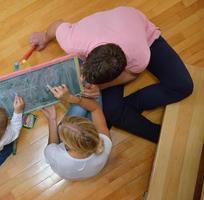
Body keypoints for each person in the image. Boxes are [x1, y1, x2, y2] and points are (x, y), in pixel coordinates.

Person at [29, 6, 193, 143]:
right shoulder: (73, 41)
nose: (84, 80)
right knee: (112, 111)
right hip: (116, 23)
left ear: (119, 71)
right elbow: (58, 24)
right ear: (88, 55)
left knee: (184, 86)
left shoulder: (140, 55)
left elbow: (132, 75)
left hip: (141, 34)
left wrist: (100, 87)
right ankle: (154, 132)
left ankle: (127, 109)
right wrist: (44, 36)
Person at [41, 84, 112, 180]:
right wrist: (70, 98)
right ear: (92, 128)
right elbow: (95, 108)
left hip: (67, 164)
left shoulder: (56, 156)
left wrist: (52, 120)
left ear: (66, 145)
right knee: (93, 93)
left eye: (62, 133)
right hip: (87, 164)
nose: (61, 124)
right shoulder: (105, 143)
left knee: (86, 100)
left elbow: (51, 145)